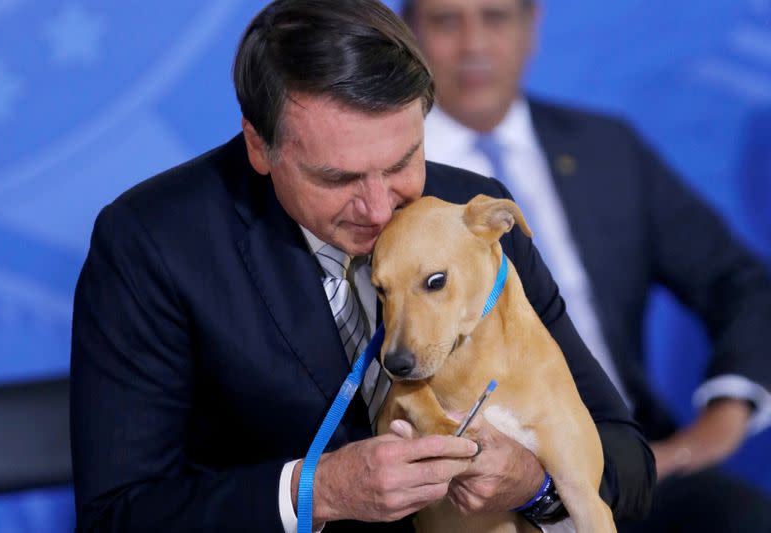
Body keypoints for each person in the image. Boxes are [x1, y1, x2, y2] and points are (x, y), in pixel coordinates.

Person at [69, 0, 654, 531]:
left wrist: (534, 485)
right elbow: (117, 515)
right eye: (337, 178)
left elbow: (625, 457)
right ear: (258, 145)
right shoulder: (151, 242)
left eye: (402, 161)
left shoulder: (470, 218)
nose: (379, 209)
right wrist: (316, 491)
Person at [402, 0, 771, 530]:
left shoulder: (605, 150)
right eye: (445, 21)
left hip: (629, 465)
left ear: (532, 27)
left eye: (496, 17)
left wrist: (726, 414)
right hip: (478, 489)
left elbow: (737, 281)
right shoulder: (392, 186)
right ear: (408, 36)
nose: (474, 45)